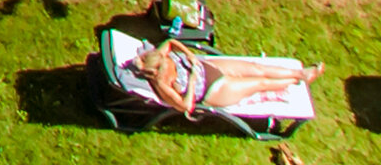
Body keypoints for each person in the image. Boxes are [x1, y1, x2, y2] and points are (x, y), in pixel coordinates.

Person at [128, 40, 319, 116]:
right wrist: (193, 80)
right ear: (155, 72)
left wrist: (190, 55)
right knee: (262, 83)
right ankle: (296, 81)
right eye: (163, 65)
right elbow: (186, 106)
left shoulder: (157, 58)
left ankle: (301, 73)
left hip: (208, 68)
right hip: (214, 90)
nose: (166, 61)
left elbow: (169, 42)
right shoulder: (163, 84)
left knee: (257, 68)